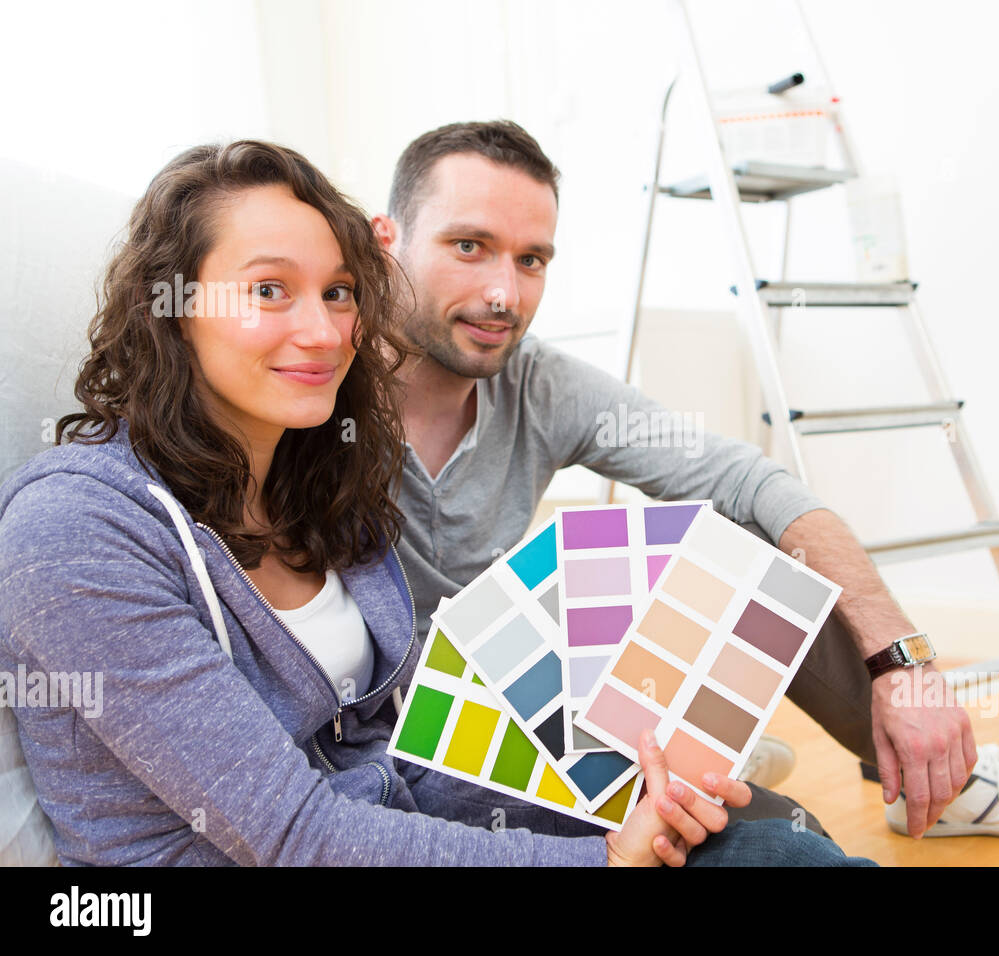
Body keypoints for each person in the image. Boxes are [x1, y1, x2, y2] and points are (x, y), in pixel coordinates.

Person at [0, 139, 867, 866]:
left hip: (397, 824)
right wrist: (601, 856)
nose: (322, 330)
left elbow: (395, 739)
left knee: (769, 834)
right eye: (270, 291)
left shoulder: (322, 482)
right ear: (175, 309)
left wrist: (624, 781)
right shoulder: (76, 532)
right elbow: (295, 835)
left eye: (338, 292)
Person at [372, 120, 999, 845]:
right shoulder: (309, 388)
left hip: (526, 687)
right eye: (468, 246)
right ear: (387, 242)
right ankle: (711, 766)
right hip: (416, 738)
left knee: (745, 532)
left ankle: (941, 776)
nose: (506, 293)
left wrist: (909, 670)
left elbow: (749, 482)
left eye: (532, 259)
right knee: (778, 839)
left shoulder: (543, 386)